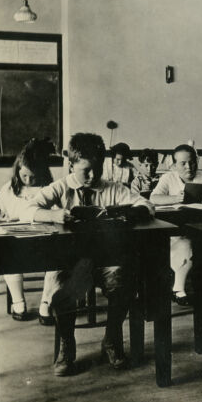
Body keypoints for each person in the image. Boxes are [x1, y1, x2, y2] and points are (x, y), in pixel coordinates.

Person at [22, 133, 154, 376]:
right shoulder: (60, 187)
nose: (93, 176)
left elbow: (146, 205)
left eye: (98, 169)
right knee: (62, 290)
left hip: (107, 262)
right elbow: (27, 209)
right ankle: (67, 346)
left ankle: (112, 340)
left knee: (124, 283)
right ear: (71, 165)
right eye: (86, 170)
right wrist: (53, 215)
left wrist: (128, 214)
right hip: (72, 264)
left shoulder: (113, 189)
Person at [0, 138, 58, 324]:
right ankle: (19, 303)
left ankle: (46, 304)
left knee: (58, 262)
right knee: (8, 257)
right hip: (17, 242)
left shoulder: (49, 189)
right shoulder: (10, 188)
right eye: (24, 176)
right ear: (18, 171)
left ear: (42, 173)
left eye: (32, 177)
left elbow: (57, 211)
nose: (28, 180)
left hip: (43, 242)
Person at [150, 144, 202, 304]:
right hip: (178, 229)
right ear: (174, 165)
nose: (189, 167)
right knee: (184, 245)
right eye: (183, 163)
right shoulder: (168, 178)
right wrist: (174, 199)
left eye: (192, 162)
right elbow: (154, 198)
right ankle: (178, 289)